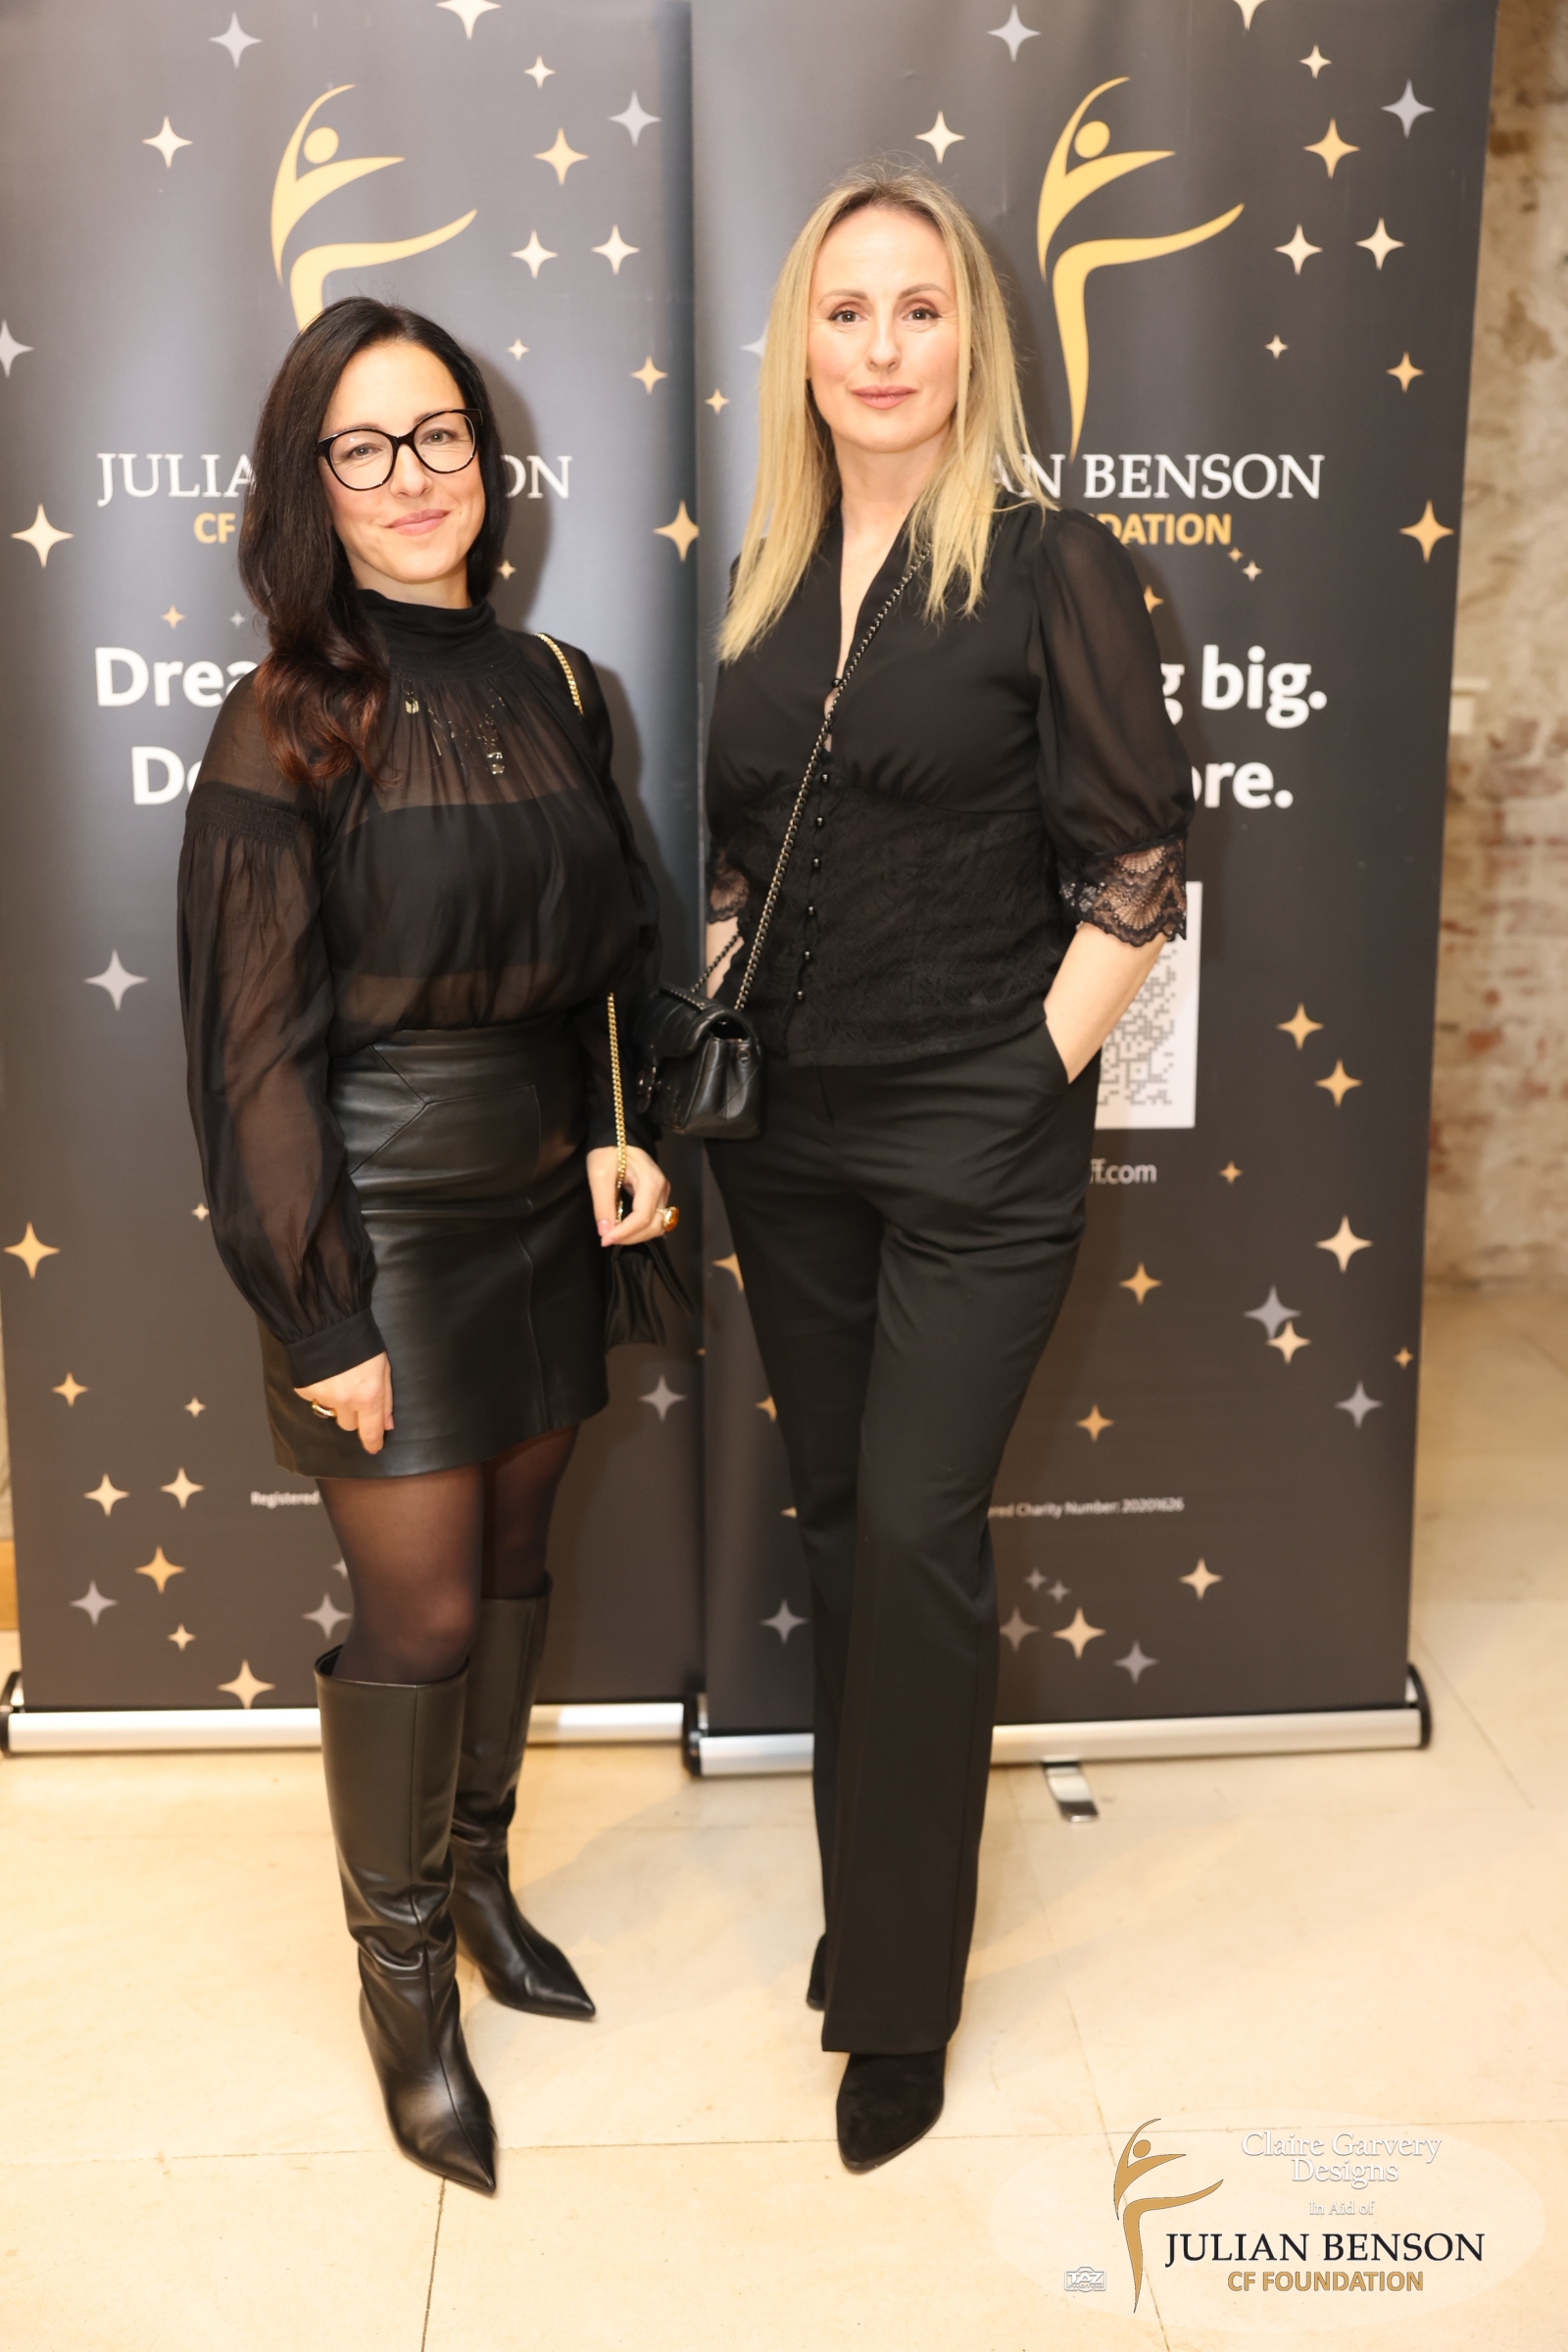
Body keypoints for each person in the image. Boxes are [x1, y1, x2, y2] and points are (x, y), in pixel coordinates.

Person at [704, 168, 1191, 2172]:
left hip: (975, 1138)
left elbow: (1137, 863)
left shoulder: (1052, 561)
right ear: (802, 346)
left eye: (917, 308)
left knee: (912, 1535)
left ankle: (901, 2003)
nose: (881, 345)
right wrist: (718, 983)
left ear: (968, 339)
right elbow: (743, 848)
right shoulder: (768, 572)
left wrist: (1023, 1079)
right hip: (786, 1143)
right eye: (846, 311)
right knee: (839, 1526)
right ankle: (870, 1911)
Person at [177, 298, 671, 2193]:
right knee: (426, 1618)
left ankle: (478, 1885)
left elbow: (612, 954)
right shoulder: (286, 717)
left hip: (549, 1200)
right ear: (311, 485)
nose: (412, 476)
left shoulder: (565, 688)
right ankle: (407, 2004)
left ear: (487, 453)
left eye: (440, 432)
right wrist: (322, 1313)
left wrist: (621, 1132)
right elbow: (250, 1054)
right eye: (365, 446)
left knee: (520, 1567)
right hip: (376, 1216)